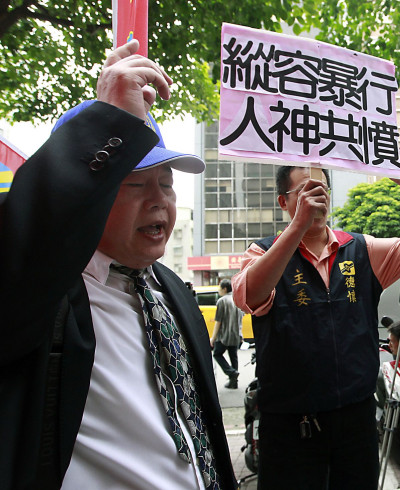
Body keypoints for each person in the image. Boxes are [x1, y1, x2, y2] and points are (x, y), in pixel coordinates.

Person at [0, 40, 236, 489]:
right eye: (135, 183)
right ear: (88, 191)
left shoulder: (170, 289)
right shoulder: (43, 293)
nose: (159, 201)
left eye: (166, 183)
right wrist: (108, 122)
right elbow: (28, 237)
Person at [231, 157, 400, 488]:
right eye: (305, 189)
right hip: (290, 426)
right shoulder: (263, 253)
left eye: (321, 188)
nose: (316, 196)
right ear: (284, 202)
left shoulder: (360, 249)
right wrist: (297, 228)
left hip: (356, 420)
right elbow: (248, 295)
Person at [210, 279, 243, 389]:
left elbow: (218, 321)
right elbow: (240, 320)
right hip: (235, 335)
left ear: (224, 289)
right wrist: (241, 334)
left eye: (220, 288)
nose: (219, 290)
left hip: (224, 336)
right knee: (233, 357)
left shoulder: (222, 301)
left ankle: (231, 372)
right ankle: (234, 382)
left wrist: (213, 338)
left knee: (217, 354)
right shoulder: (237, 300)